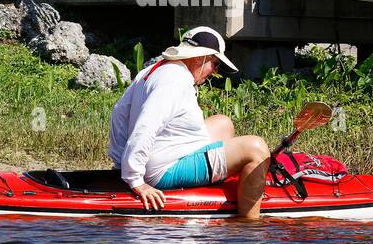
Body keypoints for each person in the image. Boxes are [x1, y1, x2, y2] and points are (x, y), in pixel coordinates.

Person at [109, 26, 272, 218]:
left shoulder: (156, 68)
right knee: (256, 148)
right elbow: (145, 127)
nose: (214, 71)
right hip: (162, 170)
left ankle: (218, 184)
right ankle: (250, 225)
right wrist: (135, 180)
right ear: (199, 57)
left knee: (223, 123)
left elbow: (119, 113)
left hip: (159, 157)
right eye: (214, 64)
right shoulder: (174, 80)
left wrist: (119, 164)